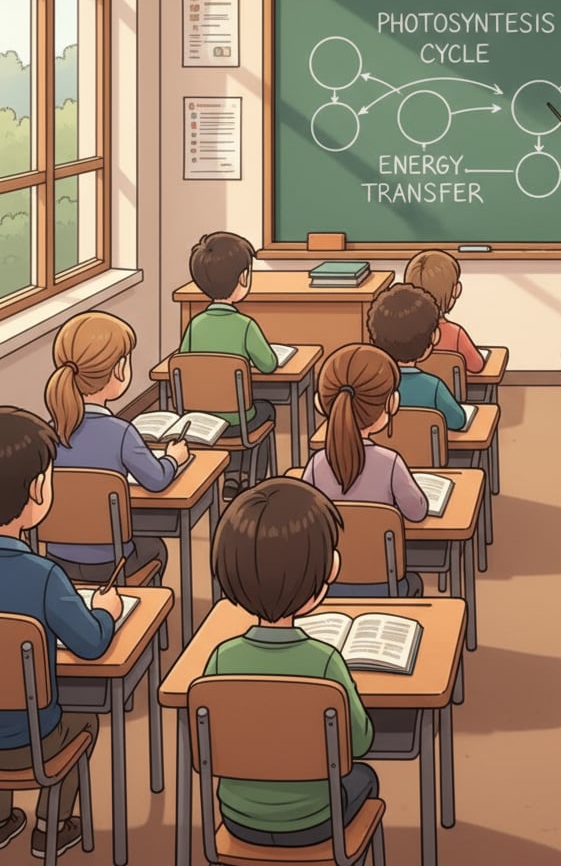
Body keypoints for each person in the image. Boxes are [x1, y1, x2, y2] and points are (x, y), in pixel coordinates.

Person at [204, 478, 378, 849]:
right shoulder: (325, 661)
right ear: (315, 574)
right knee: (365, 778)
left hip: (237, 819)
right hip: (314, 820)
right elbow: (359, 742)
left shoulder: (221, 660)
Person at [0, 407, 120, 859]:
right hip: (32, 739)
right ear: (36, 491)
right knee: (81, 720)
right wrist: (106, 612)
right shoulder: (44, 575)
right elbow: (91, 644)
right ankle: (51, 824)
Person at [43, 311, 180, 581]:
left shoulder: (47, 432)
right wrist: (173, 458)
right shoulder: (121, 433)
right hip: (112, 563)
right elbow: (157, 480)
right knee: (157, 548)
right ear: (119, 369)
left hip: (57, 562)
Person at [303, 343, 427, 597]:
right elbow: (417, 512)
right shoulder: (390, 462)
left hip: (326, 585)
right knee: (413, 581)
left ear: (321, 403)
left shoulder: (316, 464)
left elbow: (304, 524)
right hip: (385, 586)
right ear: (390, 405)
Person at [179, 231, 277, 498]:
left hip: (202, 417)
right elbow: (269, 364)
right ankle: (254, 480)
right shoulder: (245, 326)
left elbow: (184, 362)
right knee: (265, 408)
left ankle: (232, 477)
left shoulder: (194, 325)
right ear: (243, 278)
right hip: (238, 422)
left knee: (236, 408)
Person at [366, 283, 467, 431]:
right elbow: (458, 421)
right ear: (434, 337)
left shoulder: (370, 387)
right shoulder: (434, 387)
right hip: (428, 454)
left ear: (373, 341)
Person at [405, 249, 486, 374]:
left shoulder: (401, 334)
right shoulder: (455, 334)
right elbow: (477, 366)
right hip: (450, 393)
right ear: (455, 290)